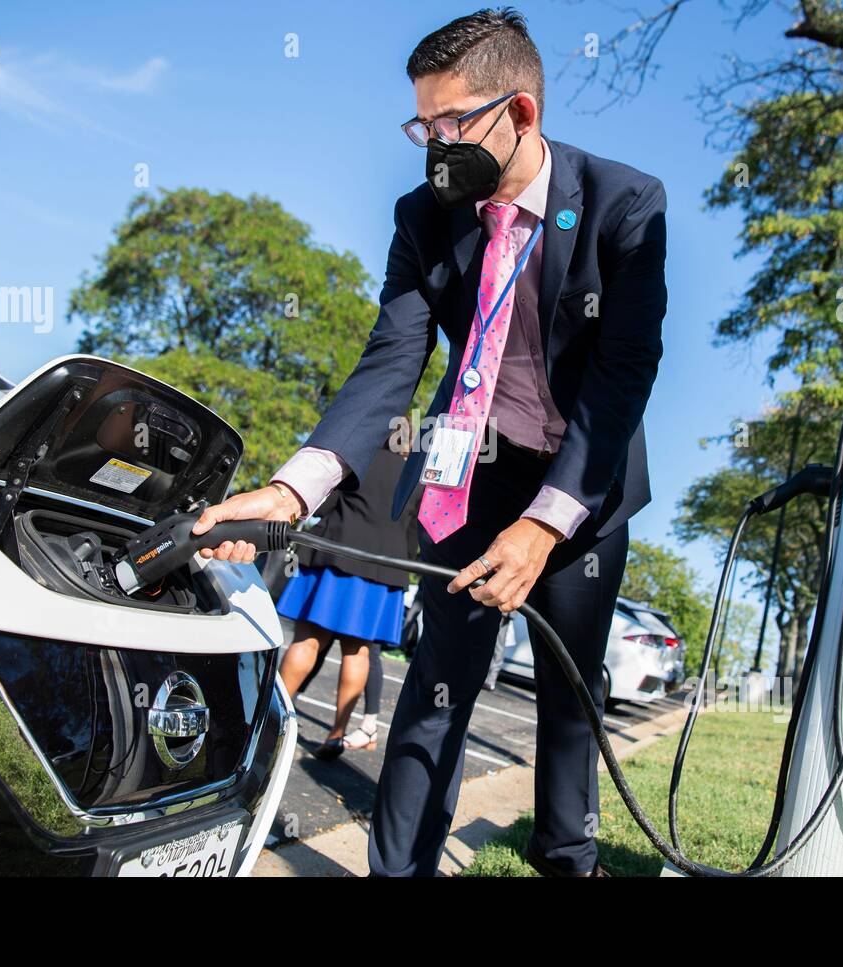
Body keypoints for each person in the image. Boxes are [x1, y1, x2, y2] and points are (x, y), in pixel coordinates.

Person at [192, 7, 667, 877]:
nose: (435, 145)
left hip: (579, 490)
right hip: (469, 476)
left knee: (569, 690)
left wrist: (548, 523)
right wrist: (294, 488)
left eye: (453, 123)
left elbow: (624, 375)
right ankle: (398, 870)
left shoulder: (622, 205)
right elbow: (391, 362)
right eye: (423, 124)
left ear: (520, 114)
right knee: (438, 684)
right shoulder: (423, 216)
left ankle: (567, 855)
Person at [275, 438, 421, 759]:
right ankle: (337, 734)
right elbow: (413, 533)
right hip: (384, 568)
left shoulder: (359, 459)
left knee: (308, 641)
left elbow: (323, 506)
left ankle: (271, 721)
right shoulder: (416, 475)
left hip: (336, 553)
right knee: (358, 652)